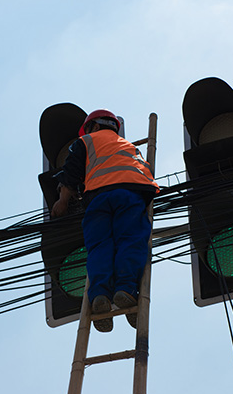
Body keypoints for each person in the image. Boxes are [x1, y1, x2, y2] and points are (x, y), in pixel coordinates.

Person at [51, 109, 159, 332]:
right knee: (130, 241)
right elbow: (145, 173)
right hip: (130, 194)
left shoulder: (86, 141)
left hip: (97, 199)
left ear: (94, 127)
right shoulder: (130, 147)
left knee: (100, 246)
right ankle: (126, 290)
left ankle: (100, 295)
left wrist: (62, 201)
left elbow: (70, 172)